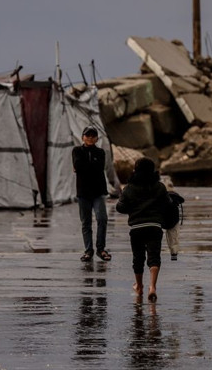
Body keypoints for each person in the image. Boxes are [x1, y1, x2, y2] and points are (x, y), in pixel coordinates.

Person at [116, 157, 168, 302]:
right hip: (155, 226)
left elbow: (120, 207)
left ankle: (139, 286)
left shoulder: (129, 188)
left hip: (137, 227)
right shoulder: (159, 187)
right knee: (154, 257)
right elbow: (168, 204)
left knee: (138, 258)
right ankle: (152, 287)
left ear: (136, 170)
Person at [72, 126, 111, 262]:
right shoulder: (77, 150)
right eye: (87, 135)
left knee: (102, 219)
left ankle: (101, 248)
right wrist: (87, 166)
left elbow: (99, 167)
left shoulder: (100, 152)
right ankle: (88, 250)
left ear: (96, 138)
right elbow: (78, 165)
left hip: (98, 191)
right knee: (86, 222)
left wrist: (83, 167)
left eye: (93, 136)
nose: (90, 138)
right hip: (83, 192)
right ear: (83, 137)